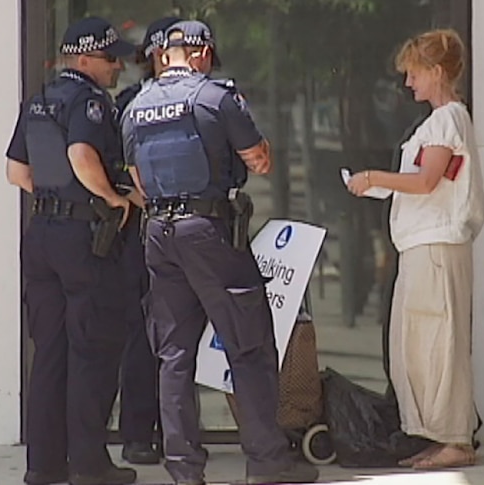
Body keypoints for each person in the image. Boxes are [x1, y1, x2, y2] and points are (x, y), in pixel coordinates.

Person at [121, 20, 319, 485]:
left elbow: (139, 182)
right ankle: (268, 463)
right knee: (248, 345)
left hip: (159, 234)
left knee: (174, 356)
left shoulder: (136, 105)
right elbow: (259, 159)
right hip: (210, 233)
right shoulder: (216, 97)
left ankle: (185, 471)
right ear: (202, 52)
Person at [5, 16, 143, 485]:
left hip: (41, 233)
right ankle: (89, 464)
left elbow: (17, 173)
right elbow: (82, 156)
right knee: (92, 351)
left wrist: (54, 199)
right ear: (84, 59)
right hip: (82, 241)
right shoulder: (88, 103)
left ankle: (43, 466)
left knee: (49, 354)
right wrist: (112, 199)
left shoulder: (39, 100)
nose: (117, 68)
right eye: (110, 59)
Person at [346, 28, 484, 470]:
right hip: (423, 244)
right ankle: (441, 433)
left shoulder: (446, 120)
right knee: (420, 342)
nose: (409, 84)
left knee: (438, 341)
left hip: (436, 243)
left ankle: (454, 437)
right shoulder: (440, 121)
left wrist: (373, 178)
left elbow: (426, 181)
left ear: (437, 72)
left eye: (415, 74)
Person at [111, 15, 181, 466]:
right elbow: (111, 167)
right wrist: (146, 200)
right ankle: (140, 432)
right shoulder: (129, 103)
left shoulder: (200, 98)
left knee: (180, 336)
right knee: (144, 335)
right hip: (144, 231)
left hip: (185, 229)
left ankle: (177, 435)